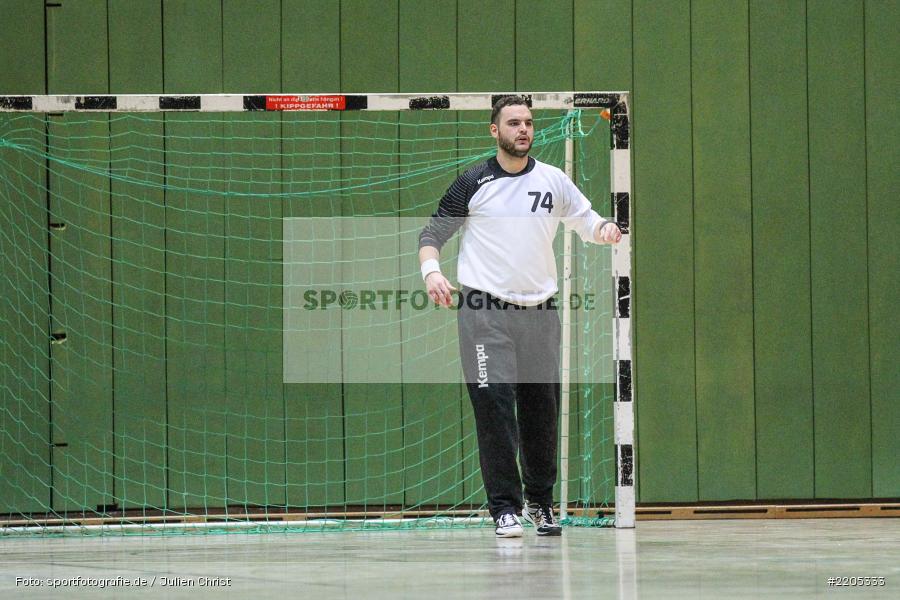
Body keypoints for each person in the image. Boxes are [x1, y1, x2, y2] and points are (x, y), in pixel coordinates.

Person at [418, 96, 622, 538]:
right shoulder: (474, 181)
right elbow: (433, 232)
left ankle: (541, 504)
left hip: (539, 313)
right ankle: (504, 509)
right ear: (496, 131)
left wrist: (603, 229)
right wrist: (432, 271)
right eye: (513, 122)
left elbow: (585, 219)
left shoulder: (553, 180)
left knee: (540, 411)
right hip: (484, 311)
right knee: (494, 407)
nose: (523, 129)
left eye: (528, 122)